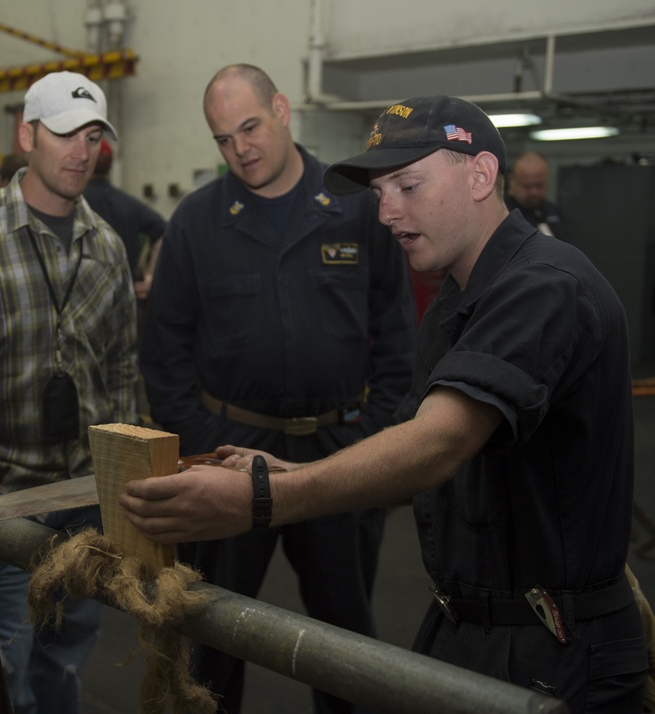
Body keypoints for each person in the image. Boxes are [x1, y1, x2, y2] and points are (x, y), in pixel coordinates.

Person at [120, 95, 647, 713]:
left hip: (555, 651)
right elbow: (406, 439)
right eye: (378, 193)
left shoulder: (543, 286)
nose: (387, 212)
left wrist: (264, 499)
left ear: (480, 175)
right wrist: (287, 470)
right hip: (471, 626)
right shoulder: (458, 301)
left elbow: (438, 442)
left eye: (407, 184)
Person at [140, 64, 416, 714]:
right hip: (231, 456)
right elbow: (164, 354)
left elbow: (401, 342)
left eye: (250, 126)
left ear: (283, 110)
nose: (241, 148)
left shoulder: (356, 206)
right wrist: (209, 448)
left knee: (344, 644)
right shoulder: (198, 223)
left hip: (336, 451)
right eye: (223, 138)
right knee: (212, 640)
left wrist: (368, 437)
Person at [0, 71, 138, 714]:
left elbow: (122, 368)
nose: (80, 150)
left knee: (64, 662)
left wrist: (118, 490)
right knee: (1, 669)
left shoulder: (109, 249)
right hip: (3, 491)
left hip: (87, 497)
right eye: (65, 134)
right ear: (26, 136)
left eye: (92, 135)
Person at [82, 139, 166, 303]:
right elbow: (163, 232)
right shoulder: (129, 204)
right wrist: (149, 277)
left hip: (84, 299)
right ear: (110, 165)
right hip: (125, 298)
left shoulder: (74, 203)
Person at [505, 150, 566, 240]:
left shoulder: (552, 211)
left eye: (539, 185)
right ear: (512, 180)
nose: (534, 192)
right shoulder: (502, 213)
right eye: (527, 186)